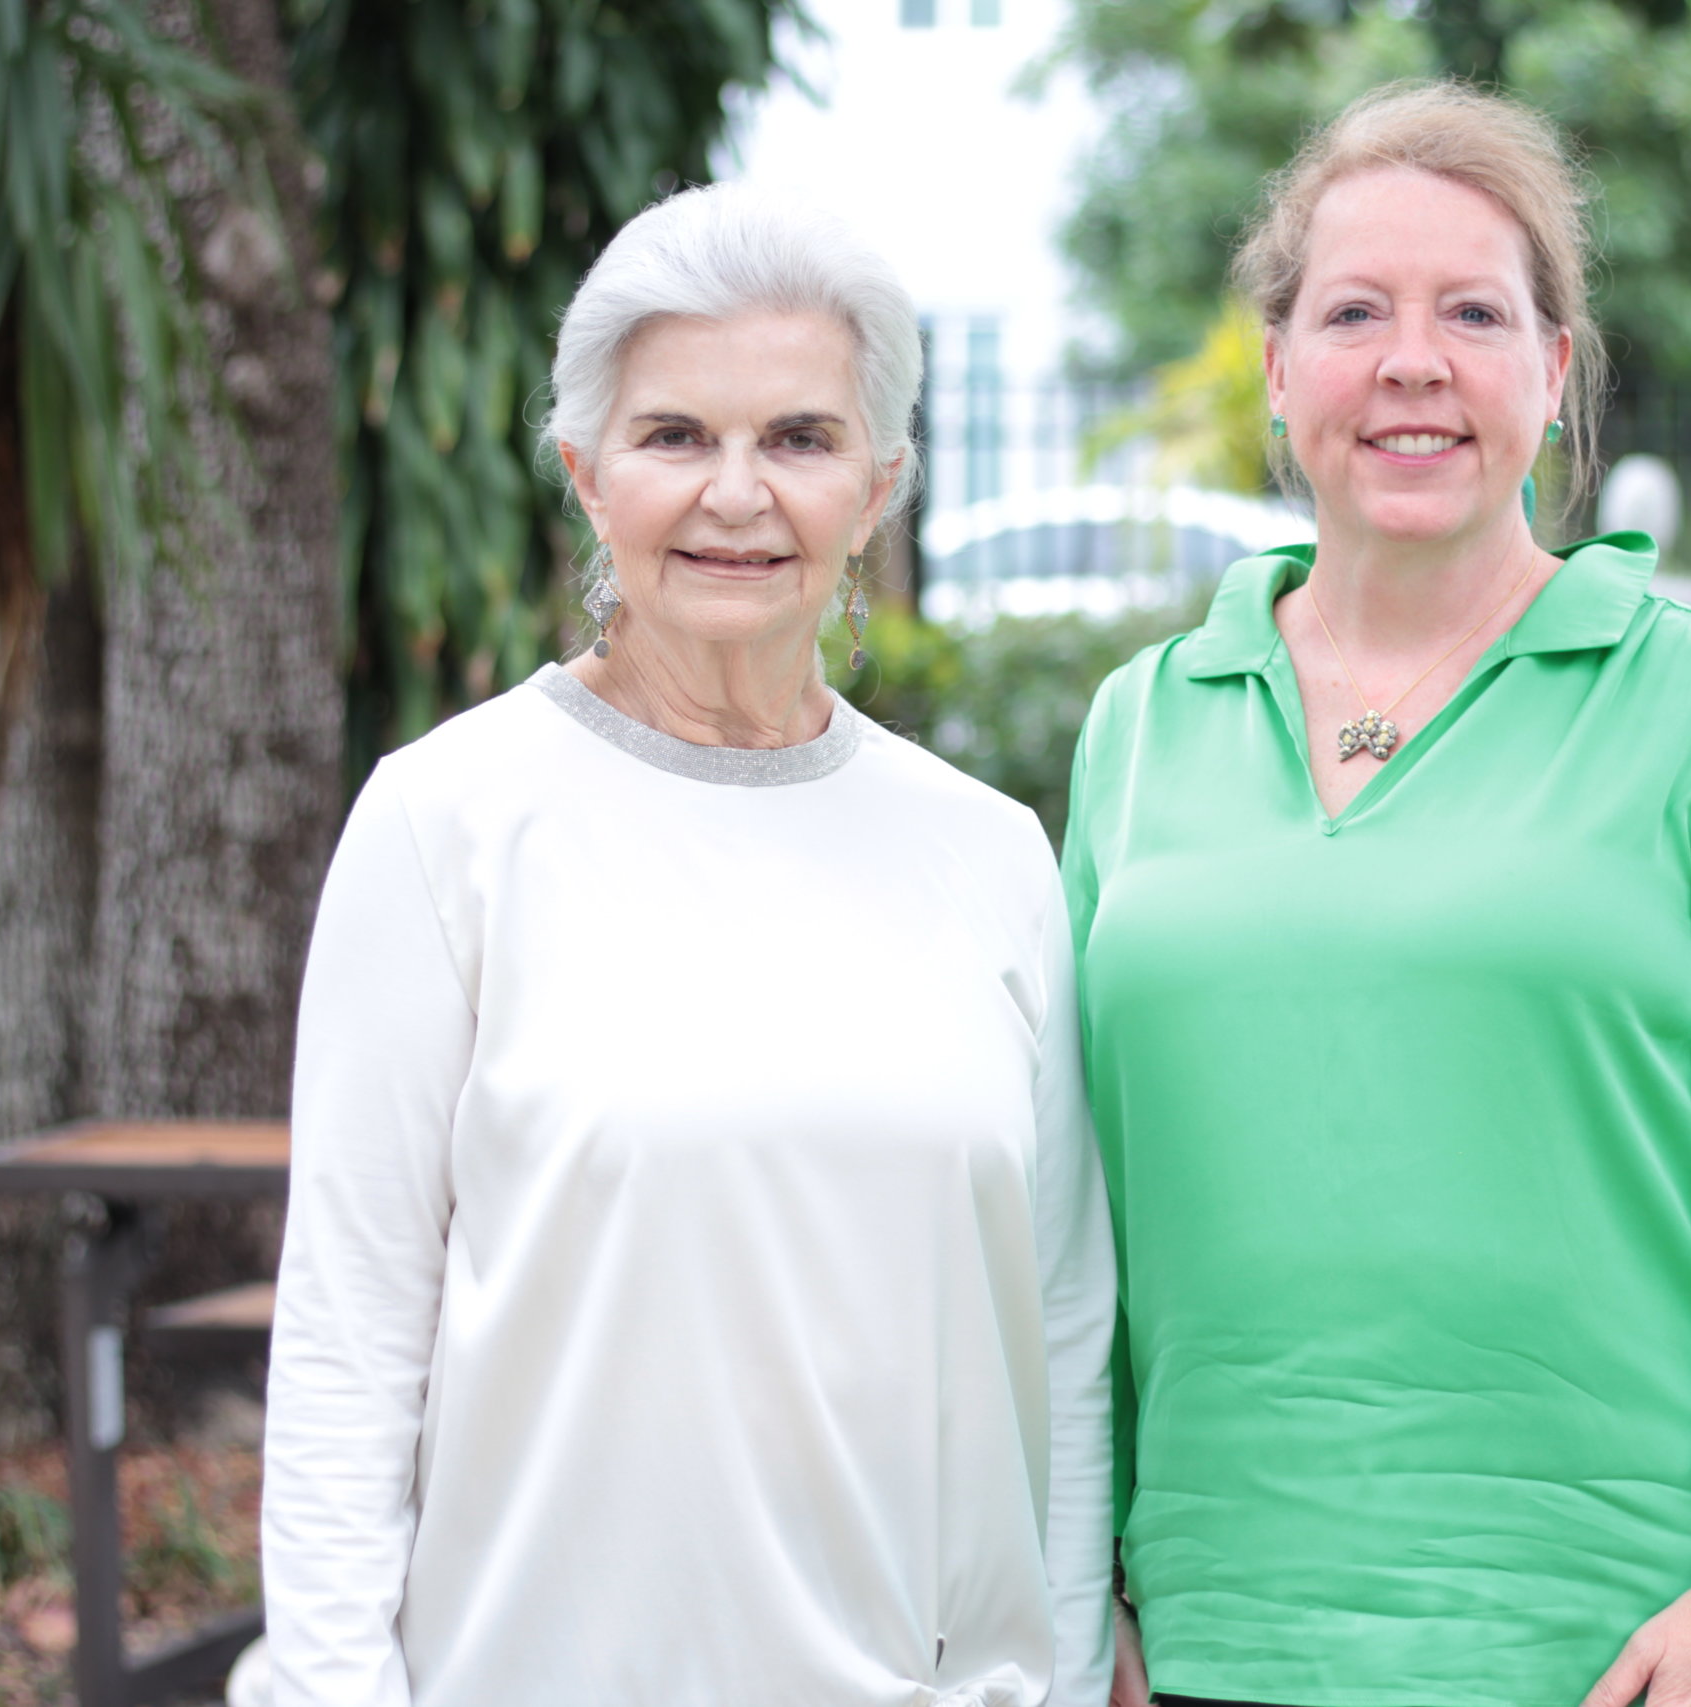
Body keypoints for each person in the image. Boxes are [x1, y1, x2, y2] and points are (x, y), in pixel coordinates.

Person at [1064, 83, 1691, 1707]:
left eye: (1473, 312)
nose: (1411, 363)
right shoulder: (1141, 725)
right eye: (1355, 312)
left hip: (1611, 1641)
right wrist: (1076, 1569)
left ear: (1553, 369)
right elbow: (1077, 1206)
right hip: (1210, 1626)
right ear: (1276, 369)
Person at [262, 183, 1117, 1707]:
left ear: (882, 485)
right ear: (589, 478)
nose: (737, 494)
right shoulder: (445, 822)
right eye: (676, 437)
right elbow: (347, 1343)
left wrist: (1050, 1675)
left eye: (799, 437)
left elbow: (1052, 1332)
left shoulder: (991, 853)